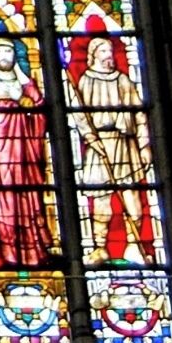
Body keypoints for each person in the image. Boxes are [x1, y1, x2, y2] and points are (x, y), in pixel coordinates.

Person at [66, 31, 157, 264]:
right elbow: (79, 115)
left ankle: (134, 247)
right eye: (104, 51)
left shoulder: (123, 80)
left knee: (133, 202)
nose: (109, 56)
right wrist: (90, 137)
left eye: (110, 51)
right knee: (101, 202)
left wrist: (145, 145)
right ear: (93, 55)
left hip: (125, 144)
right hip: (99, 146)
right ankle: (100, 248)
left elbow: (139, 116)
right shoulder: (86, 80)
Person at [0, 30, 55, 268]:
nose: (4, 56)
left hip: (24, 155)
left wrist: (27, 102)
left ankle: (32, 252)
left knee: (27, 201)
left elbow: (39, 109)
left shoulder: (26, 84)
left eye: (8, 50)